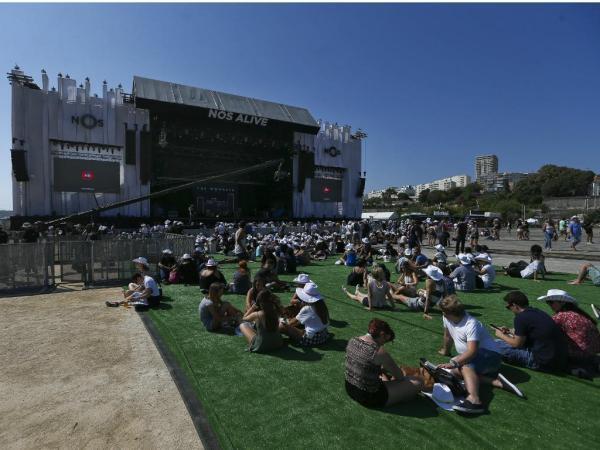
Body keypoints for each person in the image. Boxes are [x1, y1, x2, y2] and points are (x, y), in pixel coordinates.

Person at [437, 295, 523, 414]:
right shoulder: (446, 317)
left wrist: (453, 362)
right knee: (455, 373)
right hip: (475, 359)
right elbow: (447, 335)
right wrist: (446, 351)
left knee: (464, 365)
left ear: (450, 313)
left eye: (444, 312)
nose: (443, 314)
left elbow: (472, 351)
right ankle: (495, 381)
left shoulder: (471, 324)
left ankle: (474, 400)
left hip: (492, 357)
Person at [344, 318, 423, 408]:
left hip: (350, 389)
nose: (383, 344)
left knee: (383, 374)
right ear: (382, 335)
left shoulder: (352, 340)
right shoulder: (378, 352)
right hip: (369, 397)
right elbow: (399, 376)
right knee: (418, 382)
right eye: (385, 340)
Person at [494, 291, 568, 372]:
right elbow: (531, 332)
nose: (509, 310)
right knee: (499, 343)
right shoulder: (537, 312)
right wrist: (510, 331)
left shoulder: (520, 317)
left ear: (514, 305)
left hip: (541, 361)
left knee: (494, 345)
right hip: (558, 360)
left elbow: (517, 344)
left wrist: (500, 335)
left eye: (508, 307)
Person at [538, 289, 600, 377]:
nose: (549, 305)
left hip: (577, 356)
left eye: (551, 302)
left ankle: (573, 368)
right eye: (548, 302)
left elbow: (543, 330)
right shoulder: (581, 315)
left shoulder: (561, 316)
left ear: (562, 303)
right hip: (592, 352)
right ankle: (591, 364)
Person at [279, 283, 330, 347]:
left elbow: (291, 323)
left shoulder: (308, 308)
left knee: (281, 326)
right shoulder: (321, 305)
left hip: (312, 338)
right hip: (323, 335)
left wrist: (282, 320)